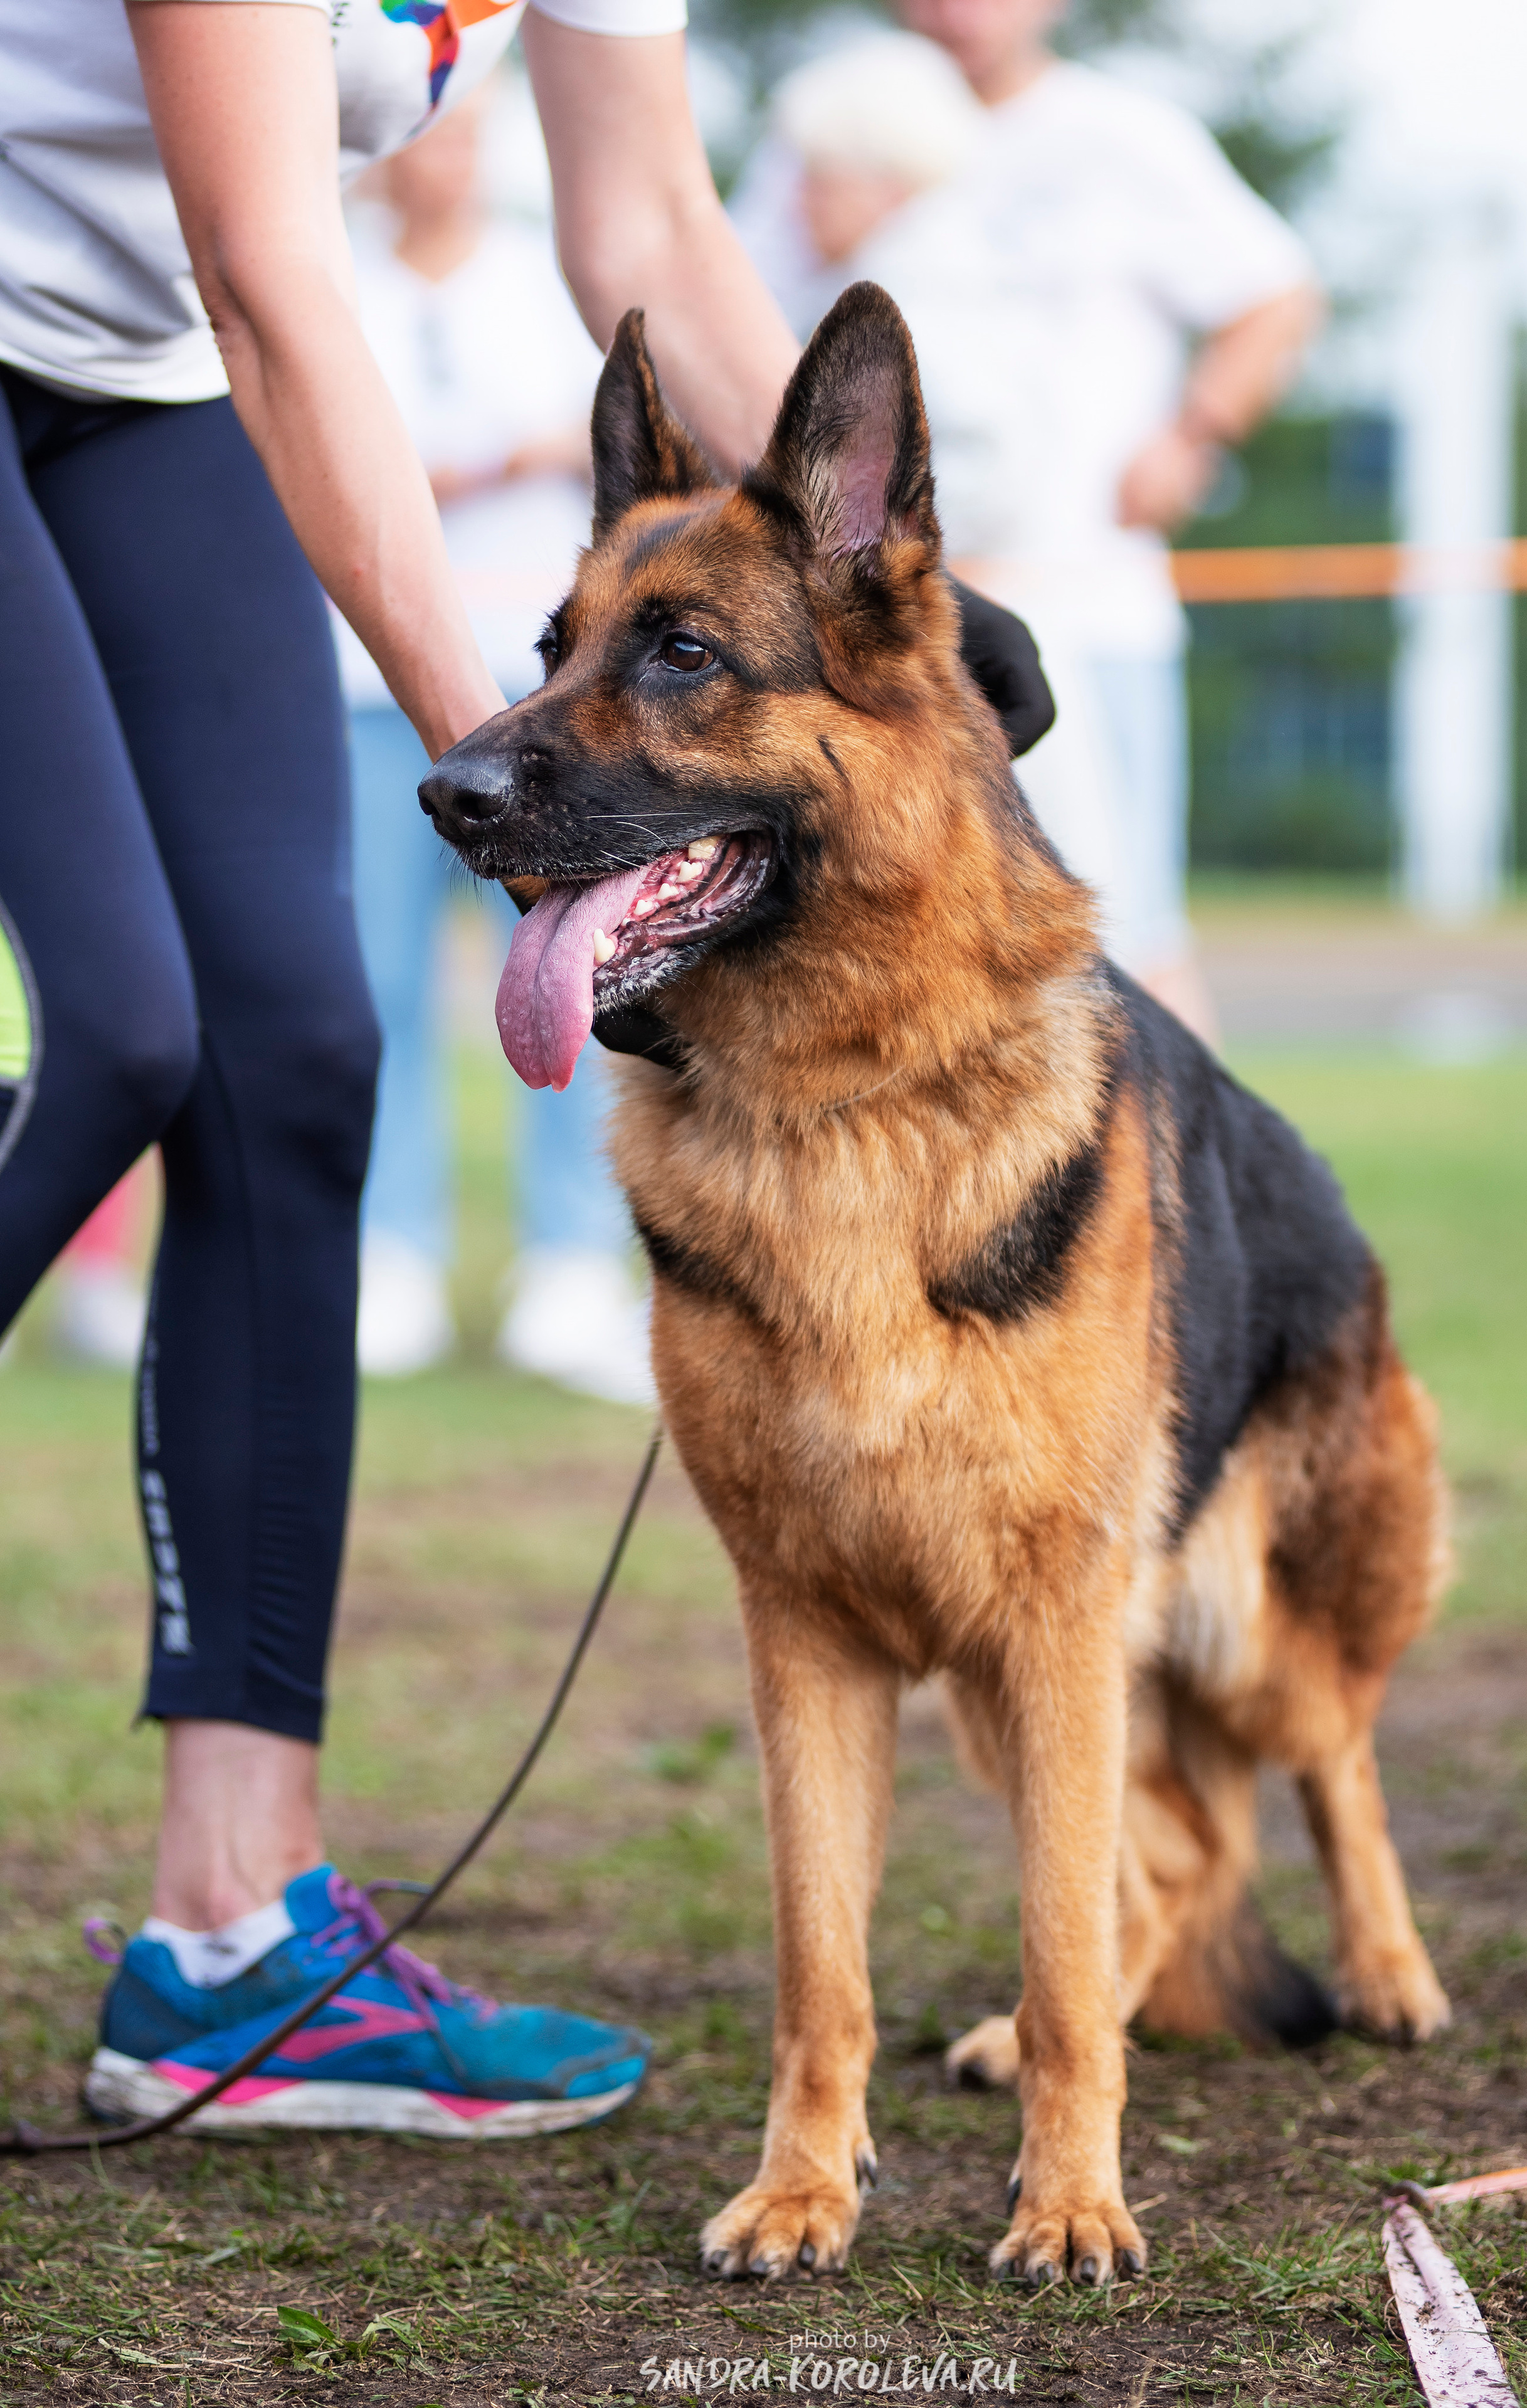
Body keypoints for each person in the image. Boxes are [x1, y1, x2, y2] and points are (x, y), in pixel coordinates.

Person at [0, 0, 1048, 2135]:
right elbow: (273, 270)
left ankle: (227, 1943)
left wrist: (896, 614)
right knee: (121, 1026)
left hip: (129, 373)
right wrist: (524, 760)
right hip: (190, 312)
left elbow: (647, 213)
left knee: (292, 1055)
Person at [734, 0, 1323, 1040]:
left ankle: (1184, 1173)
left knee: (1124, 923)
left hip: (1087, 606)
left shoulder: (1120, 138)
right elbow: (729, 311)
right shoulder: (834, 119)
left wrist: (1192, 436)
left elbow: (1276, 295)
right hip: (903, 640)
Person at [341, 92, 650, 1397]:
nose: (441, 166)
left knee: (573, 975)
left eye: (459, 140)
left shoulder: (541, 289)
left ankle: (571, 1266)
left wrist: (513, 456)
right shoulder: (333, 282)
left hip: (541, 710)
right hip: (355, 688)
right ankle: (386, 1253)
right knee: (376, 983)